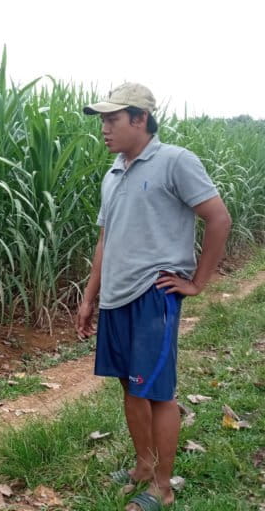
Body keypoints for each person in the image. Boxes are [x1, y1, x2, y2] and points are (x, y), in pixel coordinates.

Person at [75, 83, 232, 511]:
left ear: (140, 119)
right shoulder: (114, 173)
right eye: (103, 121)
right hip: (117, 298)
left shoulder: (174, 162)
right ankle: (143, 468)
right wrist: (91, 295)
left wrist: (197, 282)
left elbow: (218, 218)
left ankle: (162, 487)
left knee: (157, 391)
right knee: (130, 383)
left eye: (112, 120)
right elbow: (106, 237)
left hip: (153, 296)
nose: (104, 129)